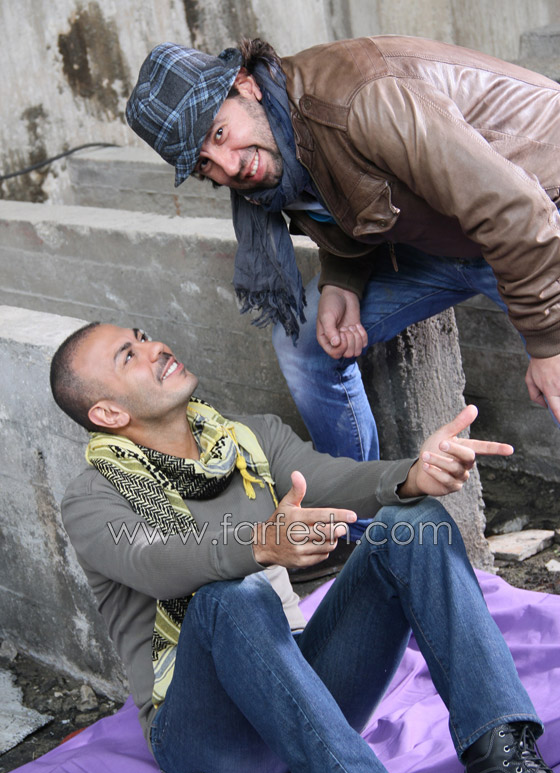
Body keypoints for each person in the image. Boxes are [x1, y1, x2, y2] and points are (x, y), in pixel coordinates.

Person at [50, 322, 559, 773]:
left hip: (307, 691)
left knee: (414, 521)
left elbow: (335, 478)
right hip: (211, 742)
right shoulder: (92, 500)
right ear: (108, 414)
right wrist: (258, 545)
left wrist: (412, 475)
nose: (155, 348)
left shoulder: (249, 439)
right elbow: (157, 562)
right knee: (231, 596)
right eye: (128, 355)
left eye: (143, 337)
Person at [126, 35, 560, 463]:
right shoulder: (277, 140)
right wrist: (343, 279)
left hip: (540, 214)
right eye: (204, 163)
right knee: (301, 345)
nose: (229, 166)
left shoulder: (358, 101)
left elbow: (516, 210)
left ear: (245, 83)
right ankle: (357, 500)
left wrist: (548, 341)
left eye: (220, 133)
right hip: (446, 238)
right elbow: (348, 190)